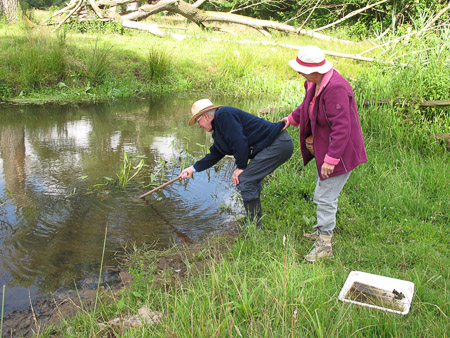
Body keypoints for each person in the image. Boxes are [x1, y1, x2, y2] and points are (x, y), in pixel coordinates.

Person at [281, 45, 367, 262]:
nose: (299, 73)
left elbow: (342, 128)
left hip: (340, 152)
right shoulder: (315, 82)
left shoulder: (335, 88)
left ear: (316, 69)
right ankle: (322, 231)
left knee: (325, 197)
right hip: (328, 149)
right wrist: (290, 120)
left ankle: (325, 245)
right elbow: (306, 107)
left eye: (301, 69)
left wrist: (331, 160)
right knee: (322, 192)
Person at [180, 99, 294, 229]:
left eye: (198, 121)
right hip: (276, 145)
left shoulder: (224, 114)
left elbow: (239, 141)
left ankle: (254, 226)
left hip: (278, 143)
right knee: (249, 178)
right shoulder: (219, 130)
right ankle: (254, 221)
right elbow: (215, 154)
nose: (199, 126)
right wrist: (193, 168)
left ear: (206, 116)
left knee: (245, 179)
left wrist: (241, 167)